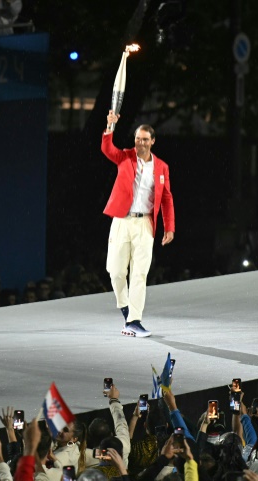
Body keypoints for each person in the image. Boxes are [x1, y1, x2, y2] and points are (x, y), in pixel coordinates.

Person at [101, 110, 175, 338]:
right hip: (122, 220)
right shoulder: (125, 157)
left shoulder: (161, 167)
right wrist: (110, 127)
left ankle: (134, 320)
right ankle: (126, 309)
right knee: (115, 271)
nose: (140, 143)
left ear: (152, 141)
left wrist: (169, 227)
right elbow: (107, 149)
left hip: (145, 225)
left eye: (145, 139)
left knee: (139, 274)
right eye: (137, 139)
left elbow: (166, 198)